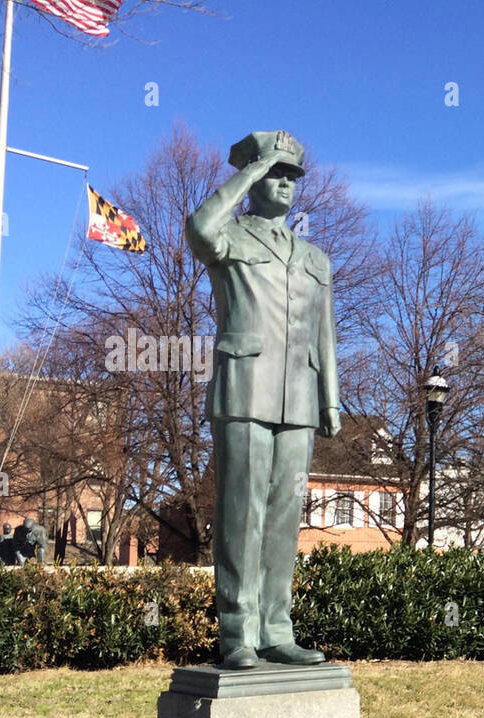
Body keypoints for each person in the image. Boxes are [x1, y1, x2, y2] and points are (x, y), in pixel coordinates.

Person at [186, 130, 341, 669]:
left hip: (298, 397)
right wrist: (248, 173)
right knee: (240, 511)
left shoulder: (315, 257)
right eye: (275, 174)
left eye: (291, 177)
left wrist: (331, 401)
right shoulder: (231, 238)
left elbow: (325, 333)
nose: (284, 184)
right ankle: (236, 631)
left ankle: (277, 628)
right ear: (253, 177)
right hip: (244, 389)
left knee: (282, 517)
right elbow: (200, 228)